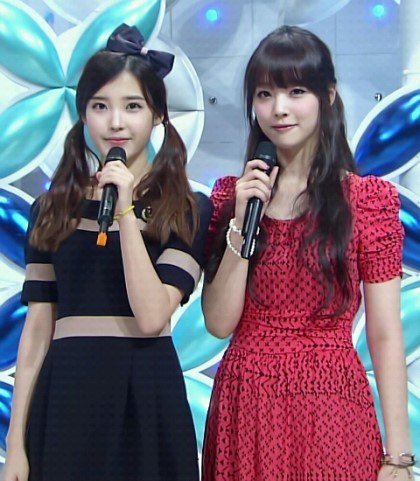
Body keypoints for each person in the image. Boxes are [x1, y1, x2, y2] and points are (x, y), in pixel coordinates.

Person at [201, 26, 414, 481]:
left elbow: (384, 334)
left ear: (327, 96)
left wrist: (398, 457)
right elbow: (218, 323)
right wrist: (242, 220)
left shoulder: (367, 201)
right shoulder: (231, 197)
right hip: (246, 407)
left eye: (296, 92)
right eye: (265, 94)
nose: (279, 108)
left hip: (330, 407)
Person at [3, 23, 212, 481]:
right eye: (100, 106)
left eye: (133, 106)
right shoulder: (51, 209)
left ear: (158, 115)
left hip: (146, 395)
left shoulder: (187, 208)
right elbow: (37, 331)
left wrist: (125, 213)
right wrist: (15, 443)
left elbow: (152, 316)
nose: (116, 122)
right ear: (83, 116)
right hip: (66, 399)